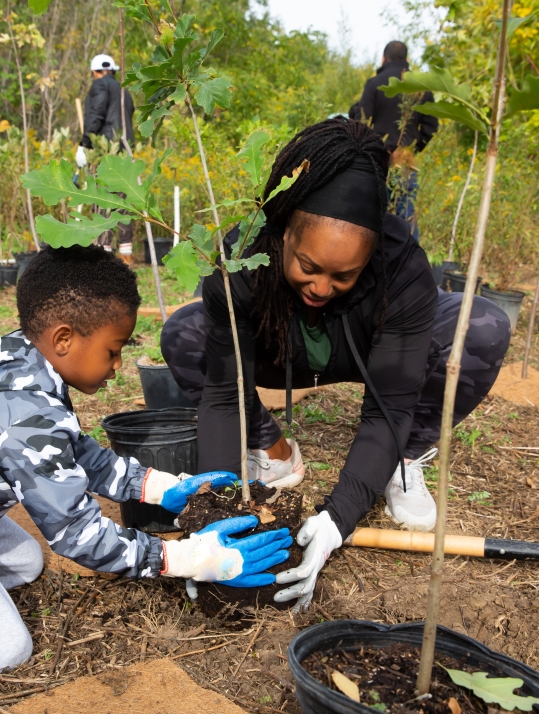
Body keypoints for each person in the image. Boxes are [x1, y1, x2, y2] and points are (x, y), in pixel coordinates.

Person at [161, 117, 511, 611]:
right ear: (282, 233)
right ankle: (272, 447)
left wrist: (336, 519)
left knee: (482, 325)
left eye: (344, 274)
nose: (322, 287)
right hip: (281, 349)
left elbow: (388, 401)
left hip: (370, 350)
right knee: (185, 332)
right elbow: (224, 393)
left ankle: (402, 460)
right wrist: (211, 521)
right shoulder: (239, 260)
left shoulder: (403, 267)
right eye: (308, 266)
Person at [0, 246, 291, 671]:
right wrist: (185, 558)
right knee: (2, 647)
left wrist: (161, 487)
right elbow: (75, 535)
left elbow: (75, 454)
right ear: (63, 338)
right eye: (112, 350)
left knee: (24, 562)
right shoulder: (21, 415)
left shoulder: (28, 362)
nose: (118, 365)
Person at [356, 40, 439, 241]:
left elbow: (361, 122)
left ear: (384, 59)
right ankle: (410, 267)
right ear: (407, 60)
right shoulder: (421, 89)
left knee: (370, 218)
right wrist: (413, 148)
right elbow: (431, 126)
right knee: (405, 218)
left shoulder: (375, 84)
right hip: (406, 162)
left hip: (376, 161)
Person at [76, 54, 136, 261]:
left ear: (95, 72)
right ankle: (126, 256)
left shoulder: (100, 86)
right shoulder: (124, 91)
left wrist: (84, 144)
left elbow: (96, 114)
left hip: (106, 152)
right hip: (125, 152)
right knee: (123, 202)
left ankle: (103, 256)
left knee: (102, 199)